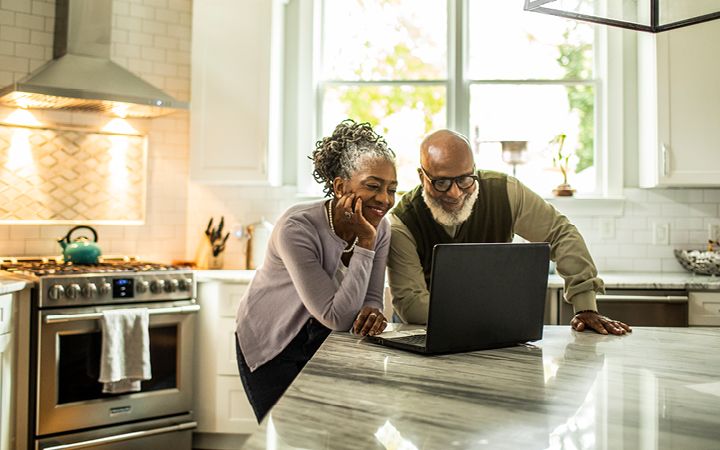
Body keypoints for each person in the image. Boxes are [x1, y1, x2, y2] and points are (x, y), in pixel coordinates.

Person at [387, 129, 631, 335]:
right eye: (441, 182)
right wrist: (498, 312)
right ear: (422, 176)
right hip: (423, 333)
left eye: (465, 179)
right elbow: (411, 304)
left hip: (494, 331)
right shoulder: (402, 221)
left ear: (475, 169)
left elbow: (560, 233)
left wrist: (585, 305)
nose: (455, 193)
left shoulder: (506, 193)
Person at [234, 119, 398, 422]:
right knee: (286, 437)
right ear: (339, 186)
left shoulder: (381, 227)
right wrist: (364, 242)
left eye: (391, 189)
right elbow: (337, 317)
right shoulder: (296, 228)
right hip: (272, 341)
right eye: (373, 186)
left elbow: (371, 299)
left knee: (332, 434)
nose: (385, 199)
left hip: (323, 341)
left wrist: (373, 311)